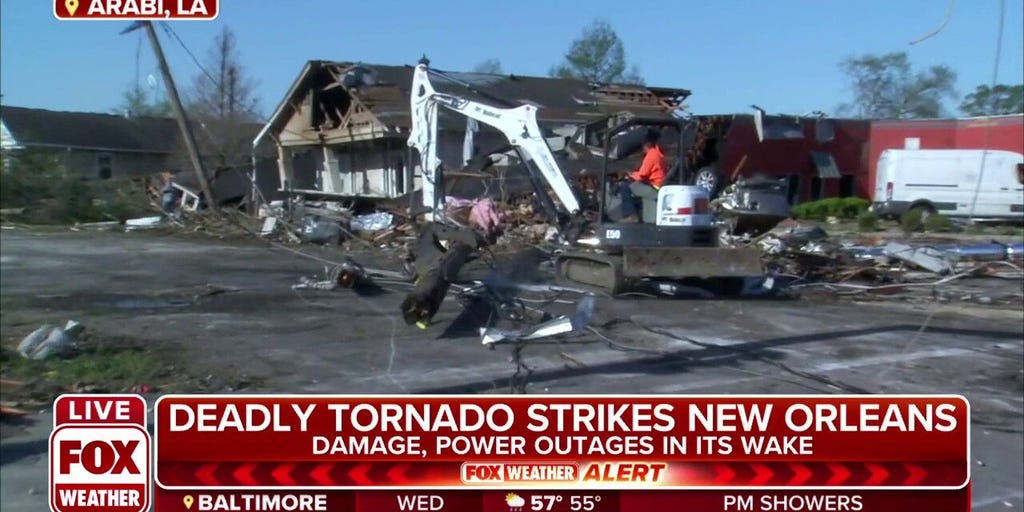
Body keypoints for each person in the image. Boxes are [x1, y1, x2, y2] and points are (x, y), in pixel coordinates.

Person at [618, 130, 666, 223]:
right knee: (634, 185)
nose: (642, 147)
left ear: (647, 144)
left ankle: (631, 215)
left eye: (643, 145)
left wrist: (629, 175)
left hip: (654, 187)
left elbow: (642, 175)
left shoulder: (652, 154)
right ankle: (638, 211)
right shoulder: (659, 153)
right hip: (657, 185)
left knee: (625, 186)